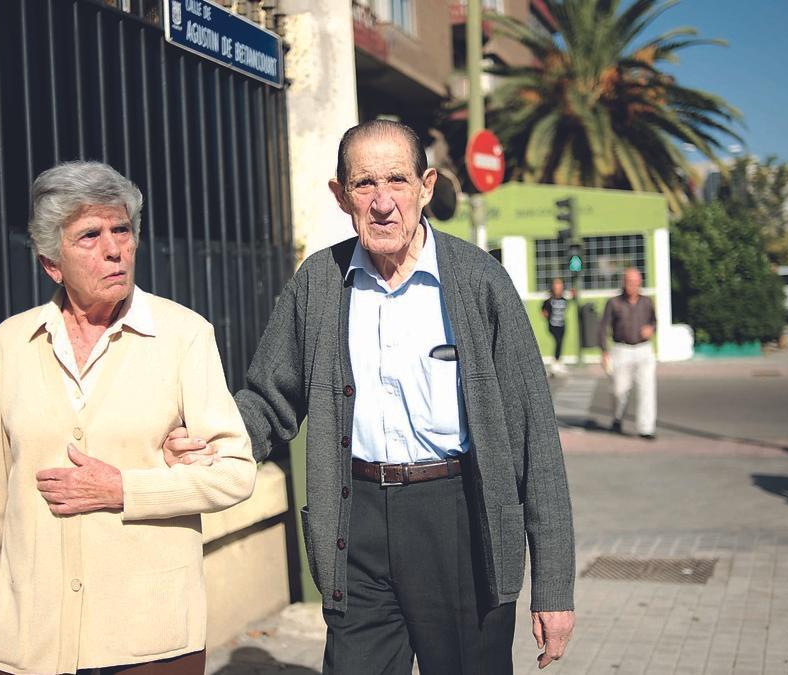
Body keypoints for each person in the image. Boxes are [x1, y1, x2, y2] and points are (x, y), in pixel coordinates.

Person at [169, 120, 576, 673]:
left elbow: (536, 441)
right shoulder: (318, 283)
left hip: (459, 520)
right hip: (354, 523)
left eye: (396, 181)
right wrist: (212, 440)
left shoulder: (480, 282)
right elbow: (269, 398)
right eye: (364, 185)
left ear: (425, 186)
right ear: (341, 196)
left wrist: (553, 586)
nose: (383, 203)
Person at [0, 161, 256, 675]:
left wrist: (125, 489)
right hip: (34, 643)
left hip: (150, 641)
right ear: (51, 263)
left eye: (122, 230)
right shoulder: (10, 346)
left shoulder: (183, 335)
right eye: (89, 235)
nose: (113, 249)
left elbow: (236, 472)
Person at [599, 268, 657, 439]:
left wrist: (651, 329)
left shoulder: (647, 302)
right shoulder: (614, 303)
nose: (633, 286)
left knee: (647, 388)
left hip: (643, 349)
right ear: (624, 283)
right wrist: (604, 351)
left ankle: (646, 428)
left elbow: (654, 322)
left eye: (636, 282)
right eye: (630, 282)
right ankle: (617, 418)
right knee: (619, 390)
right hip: (621, 349)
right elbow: (603, 327)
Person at [542, 277, 569, 367]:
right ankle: (556, 361)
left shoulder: (564, 300)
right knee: (558, 341)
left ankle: (558, 360)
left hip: (561, 325)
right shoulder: (549, 301)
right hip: (553, 325)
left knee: (560, 342)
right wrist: (546, 315)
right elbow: (543, 310)